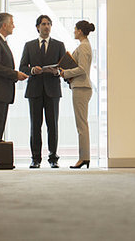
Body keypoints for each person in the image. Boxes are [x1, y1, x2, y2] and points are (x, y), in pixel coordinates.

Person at [19, 15, 66, 169]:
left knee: (52, 125)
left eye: (49, 24)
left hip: (52, 90)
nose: (46, 27)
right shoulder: (29, 45)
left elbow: (64, 68)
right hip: (35, 90)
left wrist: (57, 72)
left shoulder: (59, 45)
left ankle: (53, 158)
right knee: (35, 125)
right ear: (37, 27)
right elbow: (22, 67)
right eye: (43, 24)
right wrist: (32, 70)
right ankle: (35, 158)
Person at [0, 12, 28, 141]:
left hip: (1, 92)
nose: (14, 26)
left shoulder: (1, 41)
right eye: (12, 23)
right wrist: (15, 74)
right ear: (4, 25)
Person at [59, 20, 95, 169]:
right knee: (81, 124)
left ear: (80, 31)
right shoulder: (83, 46)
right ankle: (84, 157)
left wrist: (65, 72)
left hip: (81, 87)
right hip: (79, 87)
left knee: (82, 125)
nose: (74, 31)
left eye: (75, 29)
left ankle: (84, 158)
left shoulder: (84, 47)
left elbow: (82, 69)